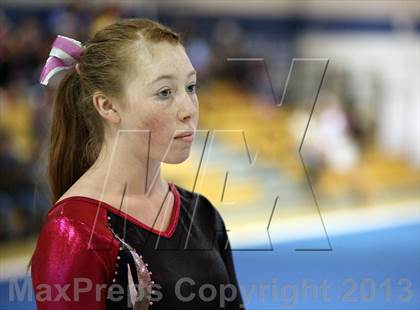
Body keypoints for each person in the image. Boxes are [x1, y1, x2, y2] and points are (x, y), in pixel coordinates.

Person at [30, 18, 244, 309]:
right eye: (165, 92)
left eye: (191, 87)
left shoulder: (201, 213)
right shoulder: (74, 231)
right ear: (107, 105)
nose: (189, 110)